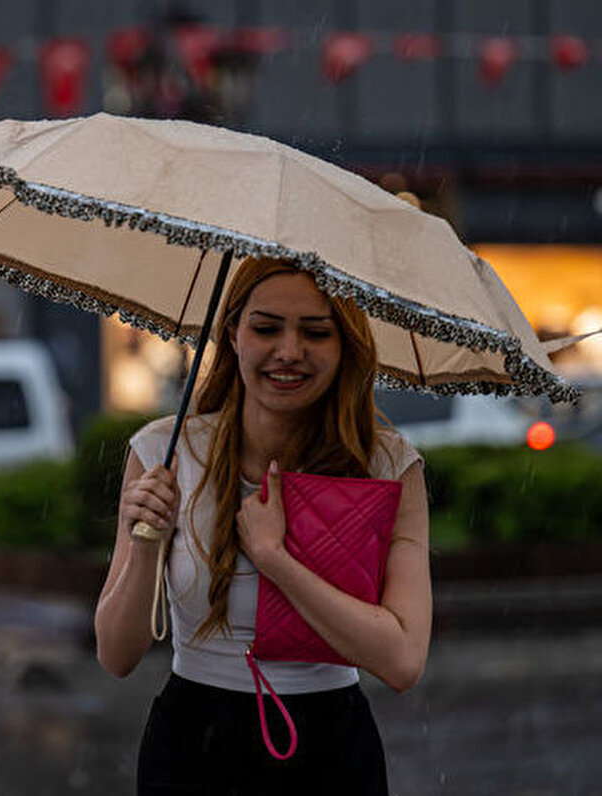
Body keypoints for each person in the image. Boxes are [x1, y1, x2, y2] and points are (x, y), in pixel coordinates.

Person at [94, 256, 431, 795]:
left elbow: (402, 661)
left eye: (316, 332)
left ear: (345, 344)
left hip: (331, 751)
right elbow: (116, 654)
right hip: (192, 747)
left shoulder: (387, 466)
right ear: (232, 335)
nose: (289, 351)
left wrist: (276, 558)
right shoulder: (165, 451)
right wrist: (144, 541)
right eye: (266, 327)